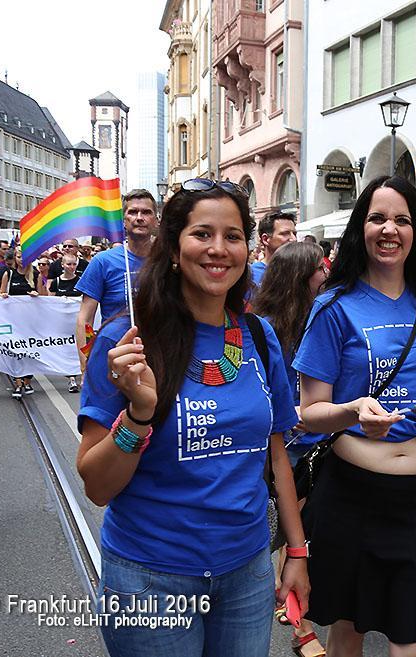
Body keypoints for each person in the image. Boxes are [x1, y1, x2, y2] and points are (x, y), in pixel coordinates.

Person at [76, 179, 308, 657]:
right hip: (150, 579)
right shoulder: (127, 342)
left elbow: (277, 457)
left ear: (247, 249)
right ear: (175, 248)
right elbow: (97, 487)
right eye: (202, 233)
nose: (218, 248)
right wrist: (139, 414)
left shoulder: (259, 336)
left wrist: (298, 553)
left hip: (246, 573)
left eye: (232, 236)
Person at [293, 175, 416, 657]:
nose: (389, 229)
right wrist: (352, 410)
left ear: (415, 231)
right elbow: (310, 412)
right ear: (360, 228)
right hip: (352, 495)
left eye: (402, 220)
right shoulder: (333, 308)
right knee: (348, 635)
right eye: (377, 218)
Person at [251, 240, 328, 657]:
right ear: (301, 276)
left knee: (301, 537)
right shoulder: (262, 329)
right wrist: (286, 412)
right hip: (283, 450)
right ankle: (302, 627)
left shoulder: (323, 318)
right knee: (288, 537)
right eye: (320, 267)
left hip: (321, 447)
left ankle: (296, 610)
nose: (326, 274)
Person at [76, 189, 158, 368]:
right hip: (115, 361)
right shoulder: (102, 262)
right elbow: (85, 319)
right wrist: (86, 367)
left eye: (146, 212)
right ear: (124, 221)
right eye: (133, 212)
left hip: (160, 359)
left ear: (156, 220)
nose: (139, 217)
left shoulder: (167, 260)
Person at [0, 247, 48, 399]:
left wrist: (36, 295)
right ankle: (18, 383)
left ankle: (27, 381)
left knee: (29, 351)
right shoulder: (8, 274)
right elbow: (0, 293)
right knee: (15, 350)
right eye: (19, 256)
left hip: (30, 321)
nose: (21, 260)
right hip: (13, 320)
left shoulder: (36, 274)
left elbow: (44, 297)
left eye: (24, 257)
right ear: (15, 258)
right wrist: (3, 296)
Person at [51, 253, 85, 393]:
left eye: (74, 264)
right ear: (62, 265)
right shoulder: (56, 282)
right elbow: (50, 302)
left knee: (79, 348)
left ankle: (82, 374)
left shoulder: (82, 280)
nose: (71, 267)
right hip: (62, 324)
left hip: (77, 322)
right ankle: (71, 378)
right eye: (69, 264)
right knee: (66, 349)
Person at [250, 211, 298, 287]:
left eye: (294, 234)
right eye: (285, 234)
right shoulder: (250, 276)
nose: (294, 239)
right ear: (265, 239)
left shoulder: (300, 273)